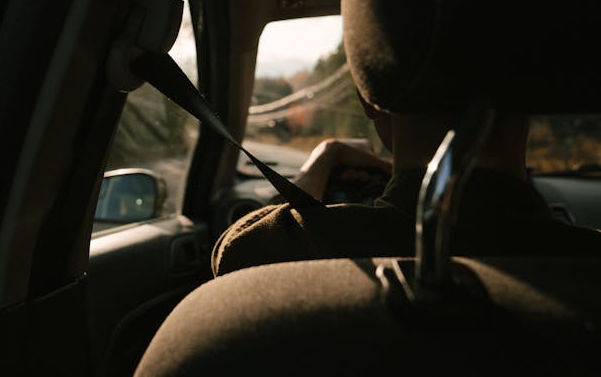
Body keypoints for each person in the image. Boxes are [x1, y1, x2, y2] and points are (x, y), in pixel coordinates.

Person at [212, 40, 601, 278]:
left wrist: (325, 157)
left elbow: (234, 252)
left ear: (369, 98)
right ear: (537, 94)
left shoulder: (284, 256)